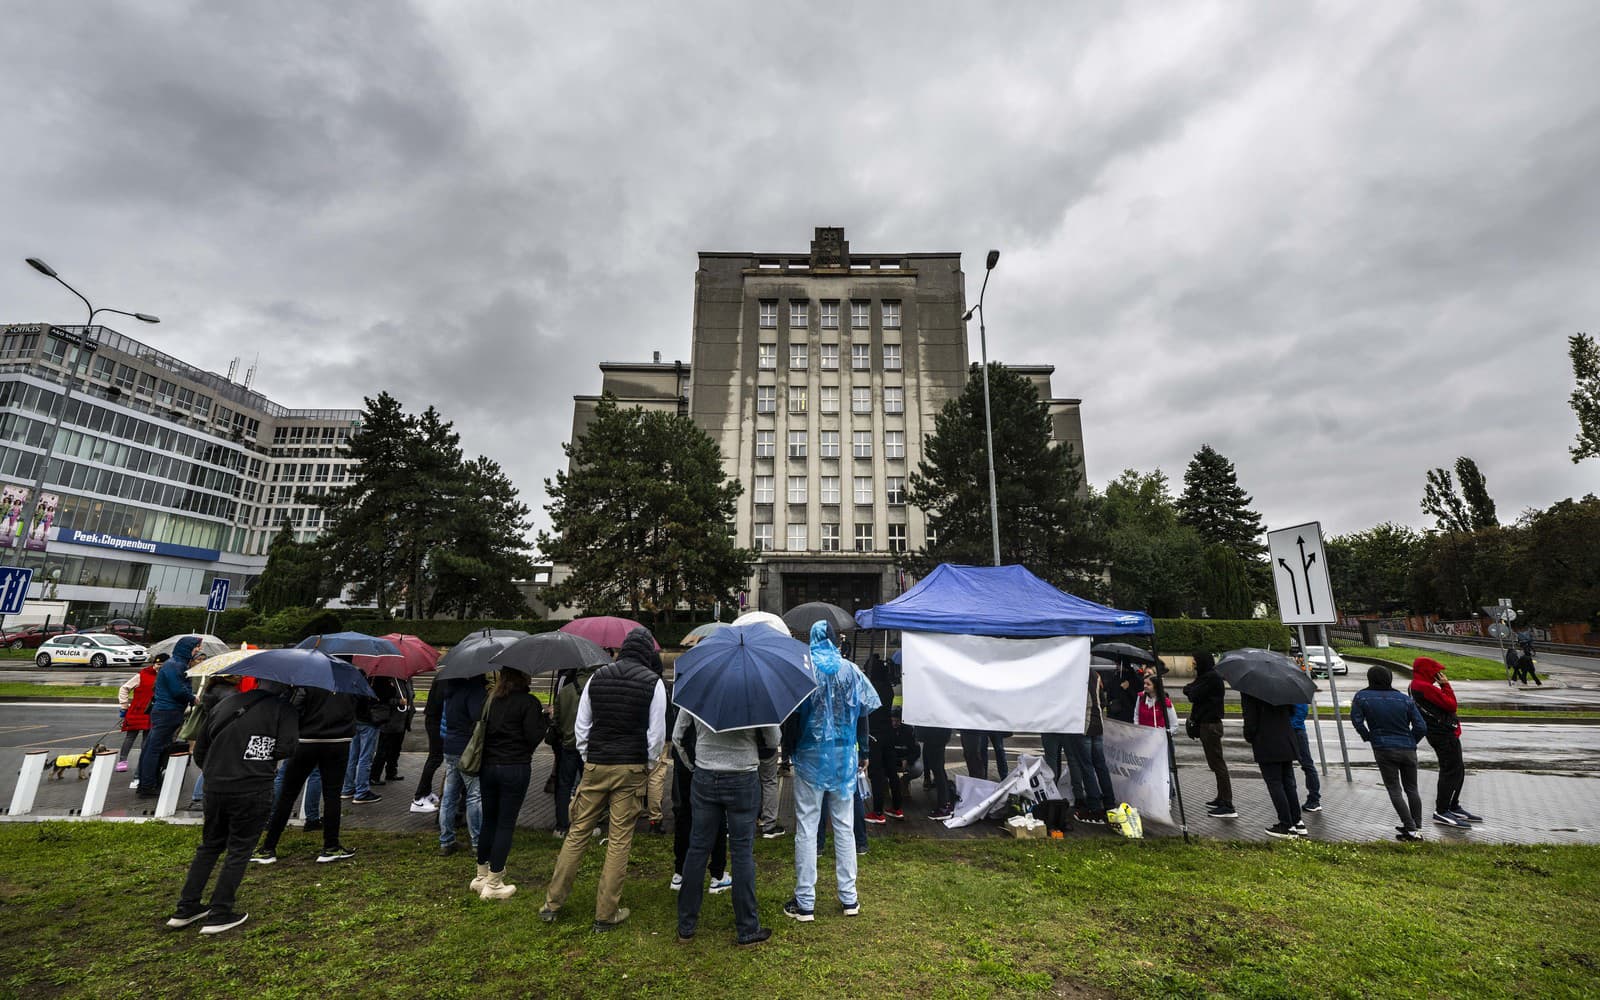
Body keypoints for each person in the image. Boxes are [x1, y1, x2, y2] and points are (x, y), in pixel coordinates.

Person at [540, 628, 667, 931]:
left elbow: (583, 725)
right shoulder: (654, 683)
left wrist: (588, 757)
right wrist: (646, 766)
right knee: (620, 839)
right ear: (647, 654)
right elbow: (655, 735)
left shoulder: (597, 678)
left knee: (578, 833)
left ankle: (552, 903)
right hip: (631, 766)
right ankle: (606, 912)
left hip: (597, 763)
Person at [167, 680, 298, 934]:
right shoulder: (284, 710)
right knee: (239, 850)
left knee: (209, 846)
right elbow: (287, 748)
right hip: (253, 787)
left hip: (215, 787)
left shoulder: (226, 703)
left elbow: (201, 748)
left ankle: (186, 907)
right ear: (286, 688)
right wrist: (258, 754)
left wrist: (219, 771)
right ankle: (220, 912)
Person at [784, 621, 880, 924]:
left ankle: (805, 901)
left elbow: (793, 718)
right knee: (844, 826)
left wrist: (789, 752)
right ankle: (849, 897)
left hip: (810, 756)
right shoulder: (850, 671)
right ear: (837, 640)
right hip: (843, 757)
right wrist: (863, 751)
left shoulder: (803, 670)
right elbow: (862, 712)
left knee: (807, 827)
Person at [672, 687, 776, 946]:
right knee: (742, 852)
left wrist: (692, 765)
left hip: (706, 774)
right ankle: (748, 928)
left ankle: (686, 925)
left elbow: (678, 736)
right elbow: (773, 739)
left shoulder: (699, 689)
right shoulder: (756, 691)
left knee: (697, 848)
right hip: (743, 775)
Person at [253, 686, 356, 864]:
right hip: (338, 742)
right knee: (332, 795)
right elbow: (360, 708)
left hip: (307, 741)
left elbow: (293, 708)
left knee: (288, 794)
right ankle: (330, 846)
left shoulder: (309, 682)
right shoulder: (350, 682)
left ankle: (269, 847)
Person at [471, 667, 548, 900]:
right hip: (515, 766)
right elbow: (533, 737)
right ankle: (495, 883)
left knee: (489, 821)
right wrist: (545, 719)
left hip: (489, 766)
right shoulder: (528, 702)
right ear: (523, 677)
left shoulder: (491, 700)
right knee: (506, 823)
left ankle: (481, 875)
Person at [1351, 665, 1428, 841]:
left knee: (1394, 789)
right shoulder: (1404, 699)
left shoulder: (1362, 697)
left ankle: (1410, 828)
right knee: (1412, 789)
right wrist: (1411, 741)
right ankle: (1417, 826)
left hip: (1383, 749)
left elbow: (1357, 720)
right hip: (1408, 749)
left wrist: (1368, 737)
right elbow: (1421, 726)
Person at [1410, 657, 1481, 828]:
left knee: (1458, 769)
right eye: (1435, 671)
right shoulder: (1425, 687)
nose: (1438, 674)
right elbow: (1451, 705)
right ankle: (1442, 810)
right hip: (1442, 734)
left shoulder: (1416, 685)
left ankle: (1453, 805)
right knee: (1450, 771)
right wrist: (1445, 685)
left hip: (1439, 732)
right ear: (1427, 671)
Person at [138, 637, 200, 798]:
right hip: (168, 712)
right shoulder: (176, 665)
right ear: (187, 648)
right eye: (196, 647)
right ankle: (147, 784)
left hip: (165, 711)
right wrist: (192, 697)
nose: (198, 650)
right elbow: (177, 690)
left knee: (152, 747)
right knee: (155, 748)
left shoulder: (175, 664)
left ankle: (147, 782)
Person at [1241, 692, 1304, 839]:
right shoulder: (1281, 687)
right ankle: (1297, 822)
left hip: (1267, 742)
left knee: (1275, 783)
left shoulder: (1250, 691)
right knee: (1288, 782)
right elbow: (1292, 711)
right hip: (1286, 739)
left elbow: (1250, 720)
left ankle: (1286, 825)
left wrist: (1250, 737)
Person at [439, 675, 488, 856]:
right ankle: (477, 842)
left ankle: (446, 840)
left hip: (450, 745)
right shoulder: (473, 690)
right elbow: (477, 717)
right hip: (467, 749)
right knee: (474, 796)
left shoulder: (450, 690)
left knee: (449, 796)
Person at [1183, 652, 1234, 819]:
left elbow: (1192, 693)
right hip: (1208, 724)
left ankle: (1227, 804)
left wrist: (1190, 689)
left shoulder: (1211, 678)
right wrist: (1190, 688)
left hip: (1210, 725)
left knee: (1217, 764)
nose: (1194, 664)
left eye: (1196, 660)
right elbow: (1190, 689)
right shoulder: (1207, 676)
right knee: (1215, 763)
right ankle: (1221, 798)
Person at [550, 666, 593, 837]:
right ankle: (589, 823)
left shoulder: (565, 690)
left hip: (568, 745)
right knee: (589, 786)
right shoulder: (595, 687)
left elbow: (557, 720)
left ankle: (561, 825)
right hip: (589, 746)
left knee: (564, 786)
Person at [1065, 670, 1113, 824]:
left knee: (1087, 767)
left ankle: (1094, 806)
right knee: (1100, 765)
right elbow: (1103, 700)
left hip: (1083, 725)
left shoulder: (1076, 675)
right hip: (1097, 723)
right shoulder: (1096, 675)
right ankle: (1109, 803)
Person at [342, 675, 398, 804]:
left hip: (356, 719)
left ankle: (347, 788)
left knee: (353, 756)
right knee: (365, 757)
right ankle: (361, 791)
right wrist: (392, 687)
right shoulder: (380, 678)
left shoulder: (358, 675)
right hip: (369, 720)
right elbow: (387, 695)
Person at [116, 657, 160, 773]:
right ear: (153, 664)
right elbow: (124, 688)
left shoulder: (165, 676)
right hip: (137, 710)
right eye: (158, 664)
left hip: (152, 711)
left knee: (147, 738)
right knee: (130, 736)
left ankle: (143, 762)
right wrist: (124, 705)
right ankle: (122, 761)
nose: (159, 666)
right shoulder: (142, 674)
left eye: (162, 664)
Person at [410, 679, 445, 813]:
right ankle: (419, 798)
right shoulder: (445, 680)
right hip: (435, 720)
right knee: (435, 758)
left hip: (434, 719)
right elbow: (441, 701)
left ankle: (426, 792)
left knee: (435, 758)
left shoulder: (443, 676)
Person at [370, 676, 410, 787]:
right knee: (383, 750)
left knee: (396, 749)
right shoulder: (385, 680)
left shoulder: (405, 680)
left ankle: (391, 772)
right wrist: (398, 701)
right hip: (389, 721)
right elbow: (382, 699)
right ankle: (374, 776)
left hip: (402, 721)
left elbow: (409, 695)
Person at [1289, 701, 1322, 813]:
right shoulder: (1295, 691)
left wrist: (1289, 724)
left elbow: (1300, 713)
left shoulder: (1294, 693)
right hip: (1296, 730)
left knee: (1307, 765)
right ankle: (1313, 799)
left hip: (1295, 731)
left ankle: (1314, 799)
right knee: (1306, 765)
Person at [920, 725, 954, 820]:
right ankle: (945, 804)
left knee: (938, 770)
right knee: (939, 770)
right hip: (937, 734)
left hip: (935, 735)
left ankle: (944, 806)